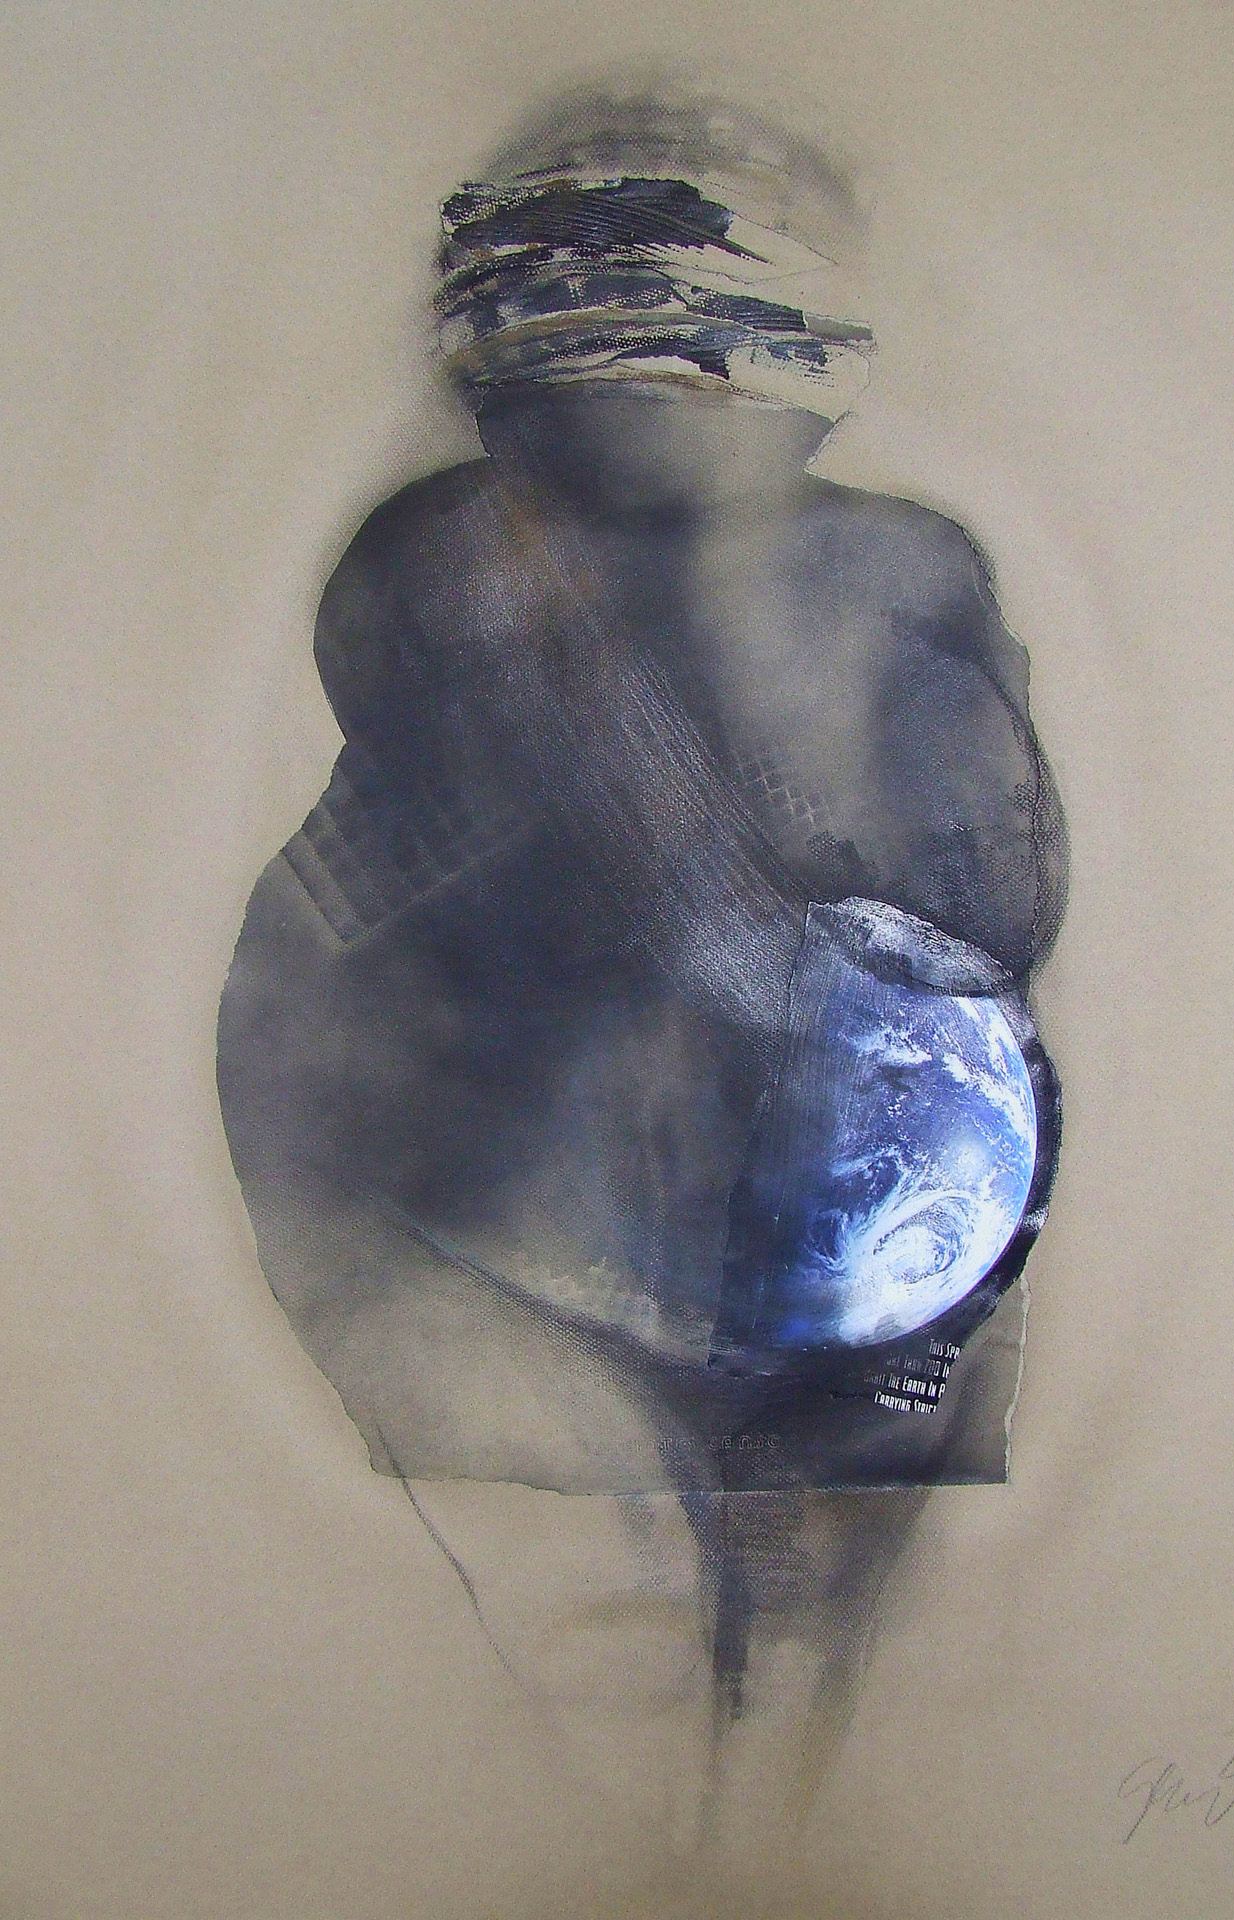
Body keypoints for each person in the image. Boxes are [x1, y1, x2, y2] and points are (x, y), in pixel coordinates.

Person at [217, 78, 1066, 1786]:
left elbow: (993, 903)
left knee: (730, 1698)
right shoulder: (447, 579)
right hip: (537, 1252)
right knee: (656, 1689)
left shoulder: (892, 584)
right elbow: (997, 899)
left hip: (833, 1265)